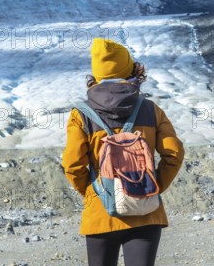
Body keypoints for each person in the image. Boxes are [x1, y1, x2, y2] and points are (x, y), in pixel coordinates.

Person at [62, 38, 185, 266]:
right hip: (145, 211)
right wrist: (152, 187)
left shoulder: (80, 116)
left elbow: (72, 165)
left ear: (96, 74)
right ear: (130, 69)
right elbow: (174, 154)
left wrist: (94, 195)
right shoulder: (151, 110)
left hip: (101, 213)